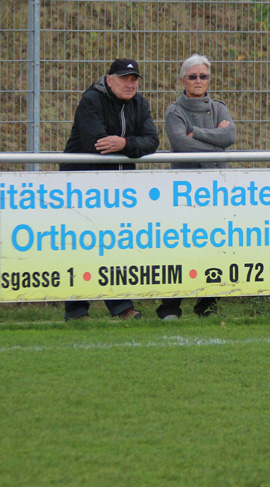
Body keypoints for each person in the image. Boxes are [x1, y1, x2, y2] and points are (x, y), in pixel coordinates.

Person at [61, 58, 159, 321]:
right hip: (82, 184)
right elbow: (97, 144)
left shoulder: (140, 103)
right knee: (79, 245)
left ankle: (121, 306)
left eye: (134, 79)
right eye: (124, 79)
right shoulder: (91, 100)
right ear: (109, 79)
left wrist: (124, 143)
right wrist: (129, 145)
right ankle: (77, 310)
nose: (130, 84)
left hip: (118, 188)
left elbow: (152, 141)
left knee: (114, 246)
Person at [158, 54, 237, 320]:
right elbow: (181, 144)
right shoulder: (174, 111)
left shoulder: (219, 107)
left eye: (203, 76)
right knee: (179, 248)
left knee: (215, 246)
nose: (198, 81)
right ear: (183, 80)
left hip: (215, 189)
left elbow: (231, 136)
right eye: (193, 76)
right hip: (186, 191)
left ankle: (208, 305)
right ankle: (169, 307)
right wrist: (216, 145)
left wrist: (198, 133)